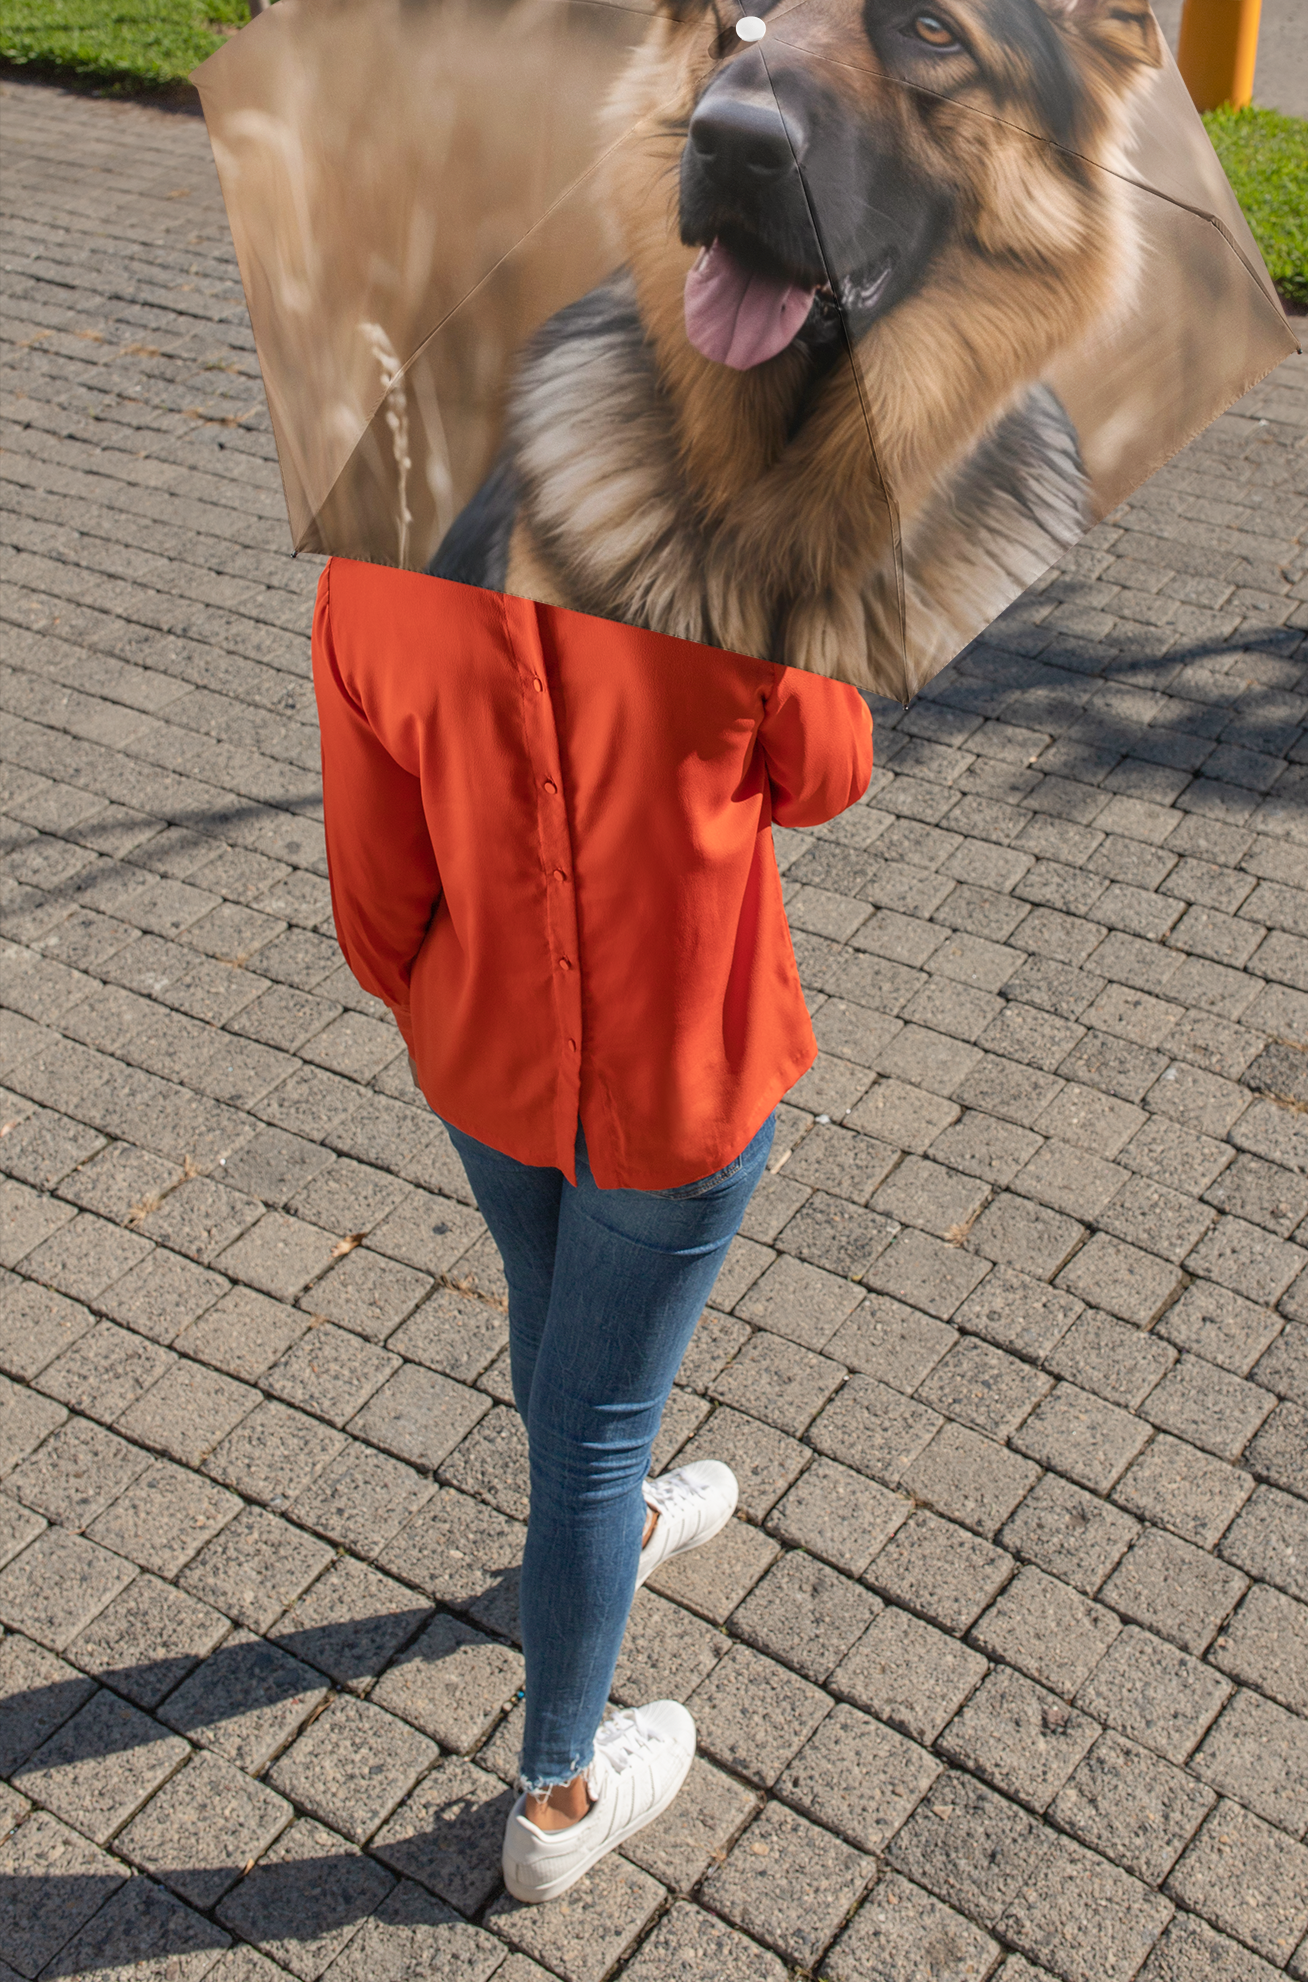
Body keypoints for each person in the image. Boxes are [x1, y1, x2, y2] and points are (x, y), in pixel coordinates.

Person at [312, 559, 872, 1902]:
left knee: (556, 1323)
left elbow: (374, 906)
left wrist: (453, 997)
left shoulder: (376, 572)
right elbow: (833, 768)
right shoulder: (728, 561)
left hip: (486, 1056)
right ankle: (559, 1791)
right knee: (596, 1420)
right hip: (683, 1070)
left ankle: (604, 1529)